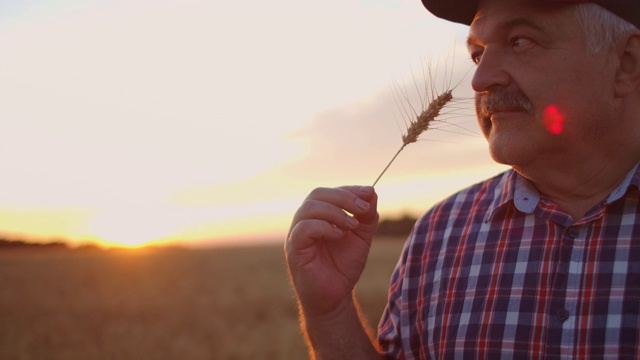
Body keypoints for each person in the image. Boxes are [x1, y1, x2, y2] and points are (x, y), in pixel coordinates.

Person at [285, 0, 640, 358]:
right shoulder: (436, 235)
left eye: (520, 41)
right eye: (477, 54)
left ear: (627, 63)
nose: (481, 79)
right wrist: (331, 315)